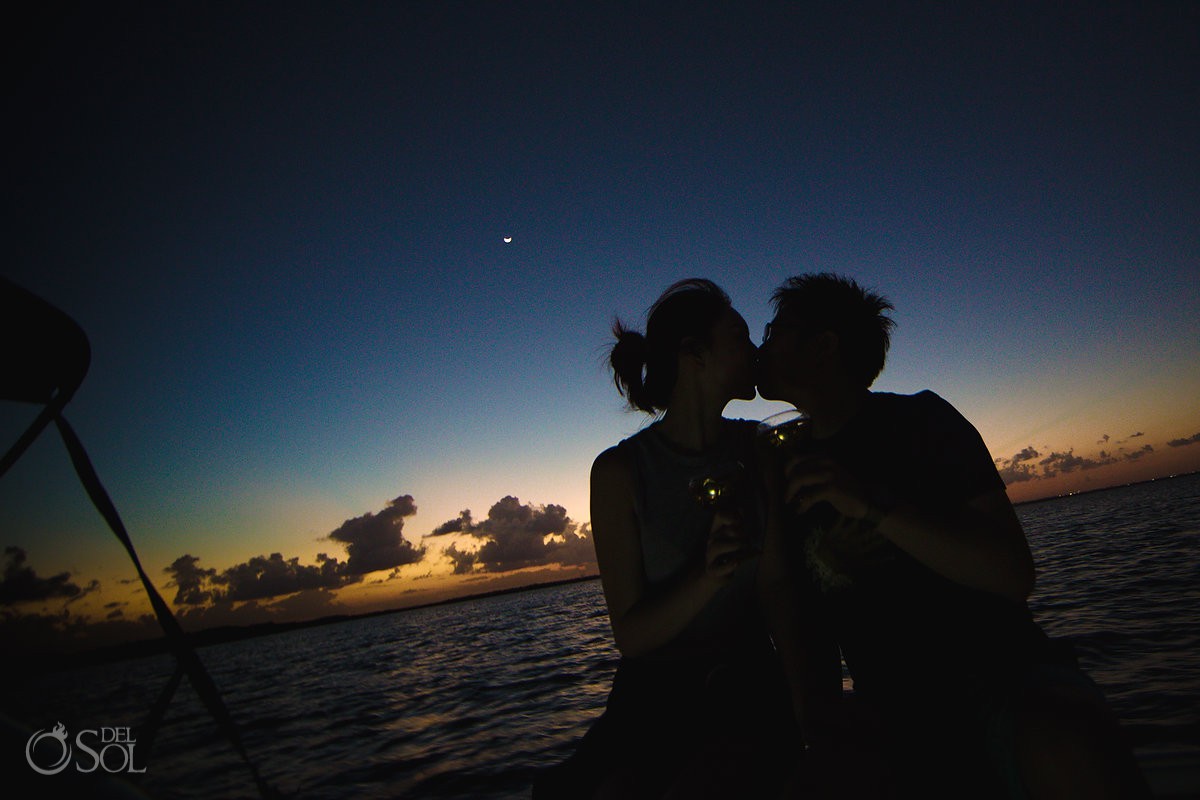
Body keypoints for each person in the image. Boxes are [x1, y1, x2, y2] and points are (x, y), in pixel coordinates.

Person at [756, 272, 1150, 798]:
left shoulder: (922, 421)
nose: (763, 345)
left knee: (1063, 746)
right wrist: (819, 726)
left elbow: (1012, 575)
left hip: (1002, 676)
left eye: (775, 329)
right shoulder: (781, 468)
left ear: (824, 346)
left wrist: (874, 507)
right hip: (890, 709)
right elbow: (804, 621)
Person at [533, 279, 795, 799]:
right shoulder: (619, 472)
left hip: (752, 686)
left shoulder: (763, 446)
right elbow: (631, 636)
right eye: (741, 336)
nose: (755, 350)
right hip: (654, 700)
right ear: (693, 354)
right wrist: (708, 576)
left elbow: (780, 589)